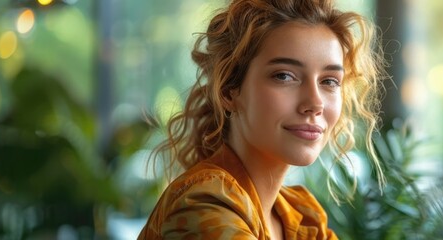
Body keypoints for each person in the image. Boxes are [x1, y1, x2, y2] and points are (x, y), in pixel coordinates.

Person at [138, 0, 384, 239]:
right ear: (228, 91)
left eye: (329, 81)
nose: (315, 103)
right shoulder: (203, 204)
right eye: (284, 76)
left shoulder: (301, 219)